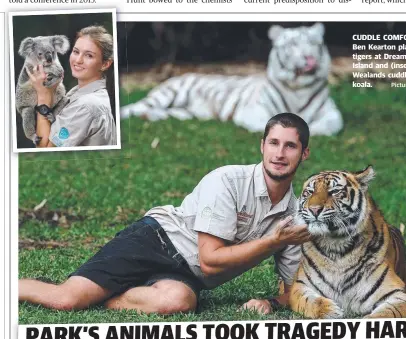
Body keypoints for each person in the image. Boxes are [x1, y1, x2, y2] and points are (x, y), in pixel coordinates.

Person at [19, 112, 311, 315]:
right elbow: (210, 261)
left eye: (290, 146)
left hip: (184, 274)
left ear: (304, 153)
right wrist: (273, 241)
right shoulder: (228, 182)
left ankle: (100, 295)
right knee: (66, 301)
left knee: (179, 303)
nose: (279, 154)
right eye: (273, 143)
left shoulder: (294, 219)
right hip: (156, 239)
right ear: (262, 146)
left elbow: (293, 290)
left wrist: (270, 302)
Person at [27, 25, 117, 148]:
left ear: (105, 64)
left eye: (89, 55)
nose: (78, 60)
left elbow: (45, 153)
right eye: (76, 52)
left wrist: (43, 98)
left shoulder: (85, 106)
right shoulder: (80, 93)